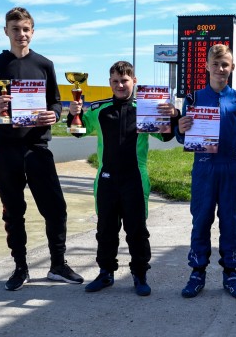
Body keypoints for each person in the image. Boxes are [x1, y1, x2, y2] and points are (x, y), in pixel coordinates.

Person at [0, 6, 84, 291]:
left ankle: (58, 265)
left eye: (26, 29)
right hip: (5, 148)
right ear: (6, 31)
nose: (21, 34)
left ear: (33, 32)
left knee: (56, 209)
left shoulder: (44, 64)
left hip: (37, 146)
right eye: (15, 29)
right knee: (13, 211)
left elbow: (55, 102)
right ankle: (20, 268)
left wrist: (55, 115)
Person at [67, 60, 179, 295]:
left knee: (137, 230)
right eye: (116, 81)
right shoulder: (99, 109)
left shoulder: (146, 108)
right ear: (110, 82)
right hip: (106, 179)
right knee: (105, 229)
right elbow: (78, 132)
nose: (120, 85)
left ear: (134, 81)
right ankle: (105, 272)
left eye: (125, 80)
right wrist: (73, 114)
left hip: (135, 179)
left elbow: (165, 137)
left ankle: (140, 274)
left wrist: (172, 116)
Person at [176, 44, 236, 299]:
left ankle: (231, 272)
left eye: (225, 65)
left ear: (232, 67)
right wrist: (181, 128)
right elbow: (183, 137)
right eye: (216, 64)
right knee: (201, 220)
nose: (220, 69)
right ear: (207, 66)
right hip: (204, 168)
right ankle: (197, 271)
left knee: (230, 220)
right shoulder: (193, 99)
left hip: (231, 168)